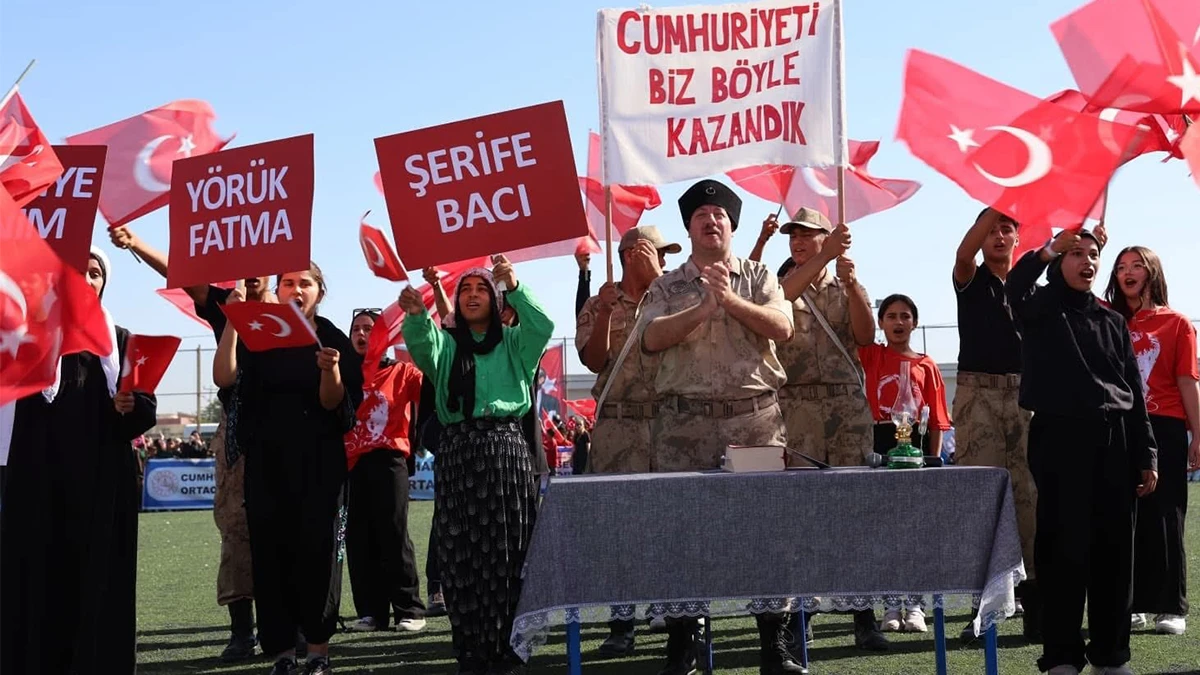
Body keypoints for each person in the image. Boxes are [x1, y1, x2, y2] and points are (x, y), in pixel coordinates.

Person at [641, 179, 801, 675]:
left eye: (720, 215)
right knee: (680, 534)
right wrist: (703, 308)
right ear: (688, 228)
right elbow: (649, 338)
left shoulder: (757, 276)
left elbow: (783, 326)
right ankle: (683, 643)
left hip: (753, 421)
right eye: (702, 215)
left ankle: (772, 645)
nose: (712, 221)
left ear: (733, 226)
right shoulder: (666, 286)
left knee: (766, 533)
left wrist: (729, 301)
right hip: (683, 424)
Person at [110, 225, 268, 660]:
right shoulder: (224, 305)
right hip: (236, 429)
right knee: (235, 528)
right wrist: (136, 243)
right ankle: (242, 630)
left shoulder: (296, 311)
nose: (254, 275)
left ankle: (290, 625)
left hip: (287, 431)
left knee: (287, 529)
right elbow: (183, 276)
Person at [1007, 229, 1157, 675]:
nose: (1087, 262)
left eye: (1093, 255)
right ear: (1058, 261)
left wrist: (1146, 453)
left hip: (1116, 443)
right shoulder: (1039, 309)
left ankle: (1111, 656)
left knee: (1115, 555)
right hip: (1059, 441)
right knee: (1062, 553)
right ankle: (1062, 656)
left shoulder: (1113, 322)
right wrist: (1050, 247)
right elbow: (1016, 285)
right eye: (1076, 254)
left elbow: (1134, 391)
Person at [1, 248, 157, 674]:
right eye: (76, 272)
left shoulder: (121, 340)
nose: (86, 281)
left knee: (100, 584)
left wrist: (130, 407)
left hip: (103, 488)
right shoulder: (26, 338)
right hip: (41, 483)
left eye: (95, 273)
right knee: (40, 583)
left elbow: (146, 405)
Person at [399, 255, 553, 675]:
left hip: (506, 455)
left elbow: (543, 326)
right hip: (460, 457)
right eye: (465, 289)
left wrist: (516, 286)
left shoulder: (516, 343)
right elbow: (423, 345)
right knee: (462, 556)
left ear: (495, 298)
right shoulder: (447, 347)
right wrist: (416, 314)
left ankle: (509, 650)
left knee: (509, 553)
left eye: (481, 289)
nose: (471, 295)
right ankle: (471, 652)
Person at [214, 263, 362, 675]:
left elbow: (336, 404)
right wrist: (232, 320)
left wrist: (329, 368)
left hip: (319, 465)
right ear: (277, 290)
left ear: (320, 291)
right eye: (288, 283)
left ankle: (318, 652)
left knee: (319, 554)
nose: (296, 290)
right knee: (270, 555)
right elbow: (224, 377)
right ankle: (282, 653)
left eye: (305, 283)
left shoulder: (331, 337)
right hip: (266, 463)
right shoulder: (257, 331)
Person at [771, 207, 888, 648]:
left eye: (807, 235)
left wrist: (853, 281)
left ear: (825, 237)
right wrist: (822, 260)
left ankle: (863, 615)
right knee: (801, 514)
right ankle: (800, 616)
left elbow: (864, 334)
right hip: (797, 406)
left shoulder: (843, 284)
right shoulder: (783, 283)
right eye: (793, 236)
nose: (798, 242)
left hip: (845, 407)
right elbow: (781, 300)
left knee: (852, 511)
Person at [576, 224, 680, 656]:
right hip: (618, 425)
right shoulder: (602, 301)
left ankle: (678, 620)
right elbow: (591, 358)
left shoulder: (673, 296)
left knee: (672, 525)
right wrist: (602, 312)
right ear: (636, 253)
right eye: (658, 253)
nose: (665, 262)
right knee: (620, 527)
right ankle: (622, 624)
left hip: (671, 423)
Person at [950, 208, 1041, 640]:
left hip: (1026, 397)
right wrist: (991, 204)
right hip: (978, 398)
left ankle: (1035, 601)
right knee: (981, 498)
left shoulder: (1034, 289)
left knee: (1031, 497)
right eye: (992, 229)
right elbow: (963, 252)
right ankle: (979, 608)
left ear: (1019, 239)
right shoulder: (970, 279)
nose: (999, 235)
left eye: (1007, 228)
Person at [1104, 246, 1199, 636]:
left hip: (1165, 426)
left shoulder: (1176, 323)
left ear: (1152, 273)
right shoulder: (1107, 320)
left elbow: (1187, 381)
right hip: (1118, 426)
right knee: (1122, 518)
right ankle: (1132, 604)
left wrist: (1199, 434)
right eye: (1121, 267)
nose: (1128, 273)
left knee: (1165, 515)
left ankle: (1169, 606)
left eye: (1137, 266)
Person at [859, 294, 952, 632]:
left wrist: (934, 460)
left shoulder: (927, 364)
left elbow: (939, 419)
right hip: (882, 444)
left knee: (915, 530)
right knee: (884, 529)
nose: (898, 323)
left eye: (905, 316)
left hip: (917, 448)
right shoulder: (871, 356)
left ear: (914, 322)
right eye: (891, 316)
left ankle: (915, 605)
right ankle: (890, 606)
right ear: (881, 322)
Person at [344, 310, 428, 634]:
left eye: (369, 328)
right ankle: (371, 613)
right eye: (356, 329)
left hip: (389, 460)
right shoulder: (343, 374)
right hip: (351, 463)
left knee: (393, 534)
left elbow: (435, 388)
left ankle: (409, 609)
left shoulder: (403, 372)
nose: (362, 334)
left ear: (384, 335)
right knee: (359, 539)